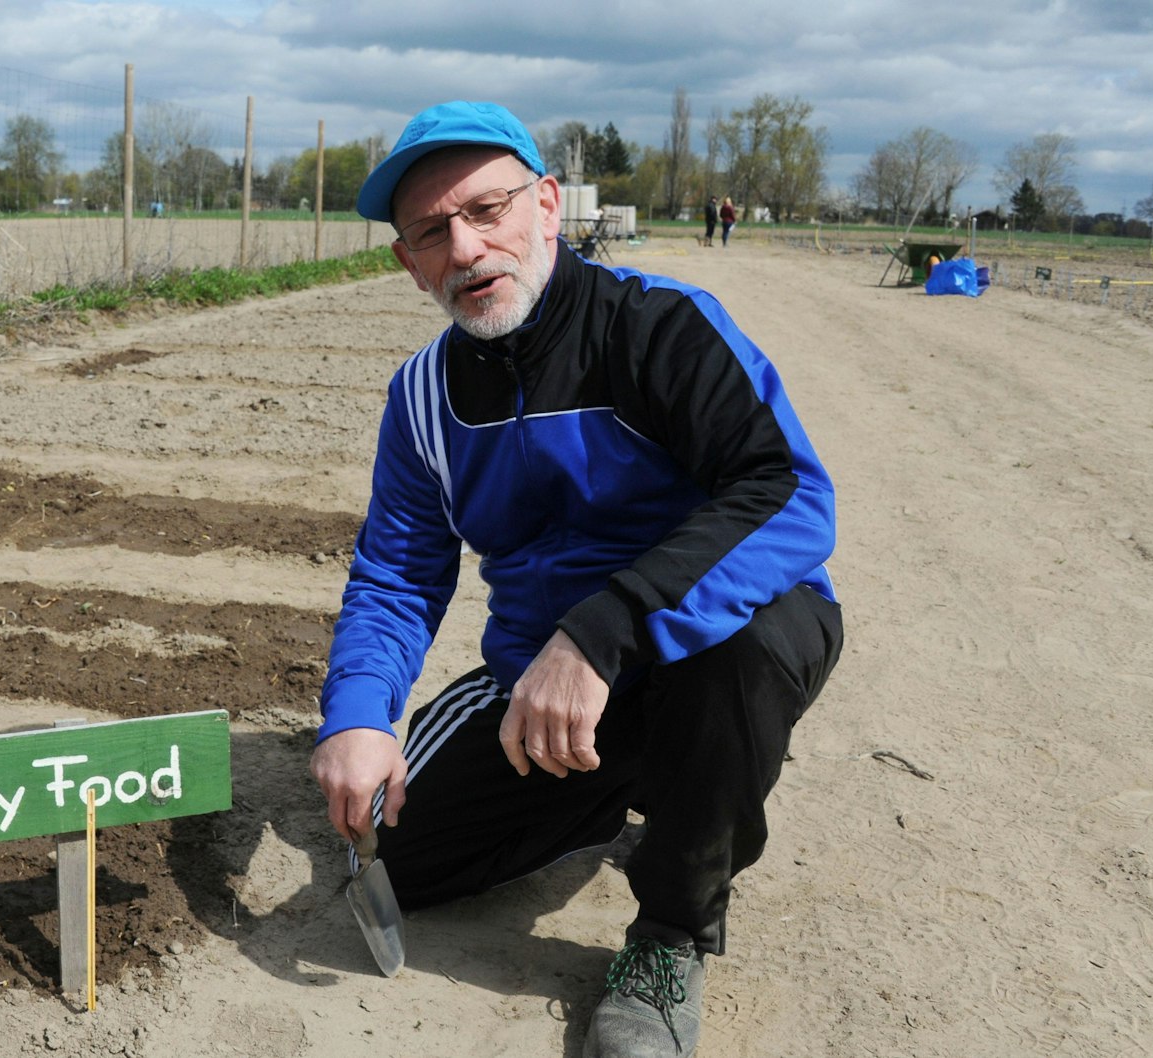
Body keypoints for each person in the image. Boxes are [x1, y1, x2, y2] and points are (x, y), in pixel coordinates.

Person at [311, 101, 842, 1057]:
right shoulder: (422, 399)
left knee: (740, 659)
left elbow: (788, 493)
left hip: (711, 638)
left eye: (488, 210)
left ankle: (671, 933)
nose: (465, 248)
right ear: (408, 263)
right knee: (400, 856)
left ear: (548, 206)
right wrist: (357, 716)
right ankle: (649, 778)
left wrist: (603, 630)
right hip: (543, 670)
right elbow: (396, 572)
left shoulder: (659, 329)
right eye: (431, 231)